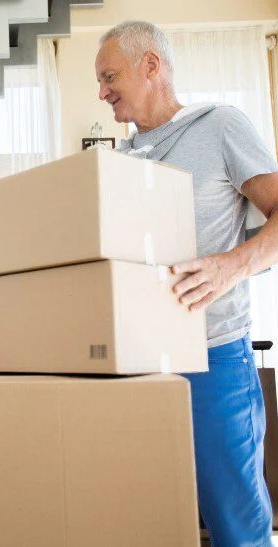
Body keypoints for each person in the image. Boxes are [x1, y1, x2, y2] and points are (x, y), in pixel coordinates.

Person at [96, 21, 278, 546]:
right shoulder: (120, 159)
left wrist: (232, 266)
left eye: (110, 77)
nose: (102, 91)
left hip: (213, 359)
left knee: (234, 525)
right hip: (135, 366)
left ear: (150, 66)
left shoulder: (221, 126)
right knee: (151, 517)